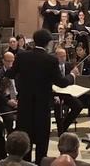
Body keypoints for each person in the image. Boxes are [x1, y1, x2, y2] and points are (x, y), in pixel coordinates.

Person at [9, 29, 77, 164]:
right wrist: (72, 75)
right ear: (48, 43)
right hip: (42, 107)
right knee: (41, 142)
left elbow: (10, 74)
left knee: (25, 141)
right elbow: (61, 83)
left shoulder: (22, 56)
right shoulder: (50, 59)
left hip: (25, 106)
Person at [53, 49, 83, 136]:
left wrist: (77, 75)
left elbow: (73, 80)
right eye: (61, 56)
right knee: (57, 106)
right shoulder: (53, 67)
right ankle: (60, 131)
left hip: (67, 93)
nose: (63, 58)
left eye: (64, 56)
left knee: (78, 106)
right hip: (55, 94)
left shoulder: (69, 66)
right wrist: (56, 96)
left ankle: (64, 126)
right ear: (56, 57)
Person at [0, 52, 18, 134]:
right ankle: (10, 136)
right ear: (3, 61)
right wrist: (8, 101)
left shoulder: (17, 73)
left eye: (12, 61)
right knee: (9, 118)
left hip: (17, 99)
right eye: (8, 61)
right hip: (4, 102)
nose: (10, 64)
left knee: (25, 114)